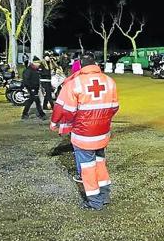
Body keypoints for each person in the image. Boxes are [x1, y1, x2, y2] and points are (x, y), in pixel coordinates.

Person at [50, 53, 119, 210]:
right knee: (100, 163)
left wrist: (55, 122)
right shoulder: (109, 81)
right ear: (95, 64)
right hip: (102, 134)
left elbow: (64, 109)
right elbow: (114, 107)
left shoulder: (75, 83)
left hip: (83, 135)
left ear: (80, 65)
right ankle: (105, 196)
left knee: (87, 167)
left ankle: (95, 202)